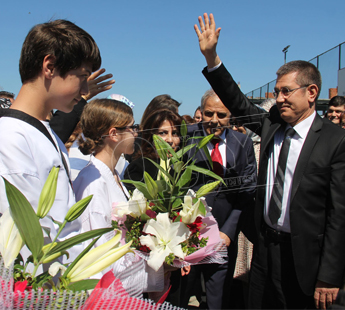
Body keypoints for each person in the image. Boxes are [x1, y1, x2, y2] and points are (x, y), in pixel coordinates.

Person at [194, 13, 345, 309]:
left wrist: (329, 275)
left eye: (286, 91)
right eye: (276, 92)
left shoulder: (335, 140)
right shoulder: (271, 124)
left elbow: (340, 214)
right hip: (265, 251)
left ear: (311, 92)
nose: (279, 99)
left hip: (306, 260)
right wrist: (212, 57)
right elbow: (237, 100)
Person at [0, 19, 101, 264]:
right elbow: (33, 235)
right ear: (50, 66)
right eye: (82, 76)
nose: (86, 87)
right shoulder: (10, 136)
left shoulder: (46, 132)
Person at [180, 89, 257, 309]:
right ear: (201, 112)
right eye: (209, 113)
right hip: (187, 235)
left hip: (223, 236)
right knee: (183, 295)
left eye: (221, 115)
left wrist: (228, 231)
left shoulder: (243, 144)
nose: (214, 120)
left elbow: (247, 190)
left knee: (218, 298)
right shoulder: (186, 137)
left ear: (230, 115)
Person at [73, 98, 137, 250]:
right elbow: (97, 245)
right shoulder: (93, 181)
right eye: (132, 127)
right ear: (114, 134)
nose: (135, 133)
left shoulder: (112, 173)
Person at [123, 108, 182, 192]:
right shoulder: (139, 168)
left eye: (175, 133)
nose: (170, 140)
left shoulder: (181, 167)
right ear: (150, 137)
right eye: (162, 133)